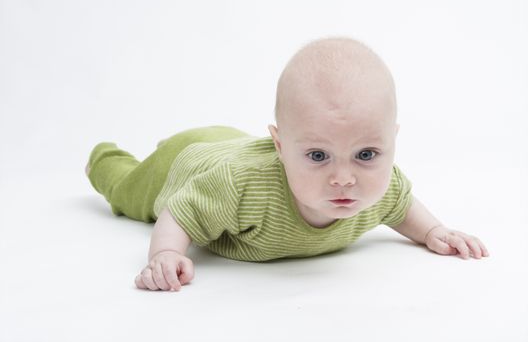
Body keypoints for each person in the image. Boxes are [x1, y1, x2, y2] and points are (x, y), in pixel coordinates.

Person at [85, 37, 489, 292]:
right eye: (318, 156)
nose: (345, 179)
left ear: (391, 141)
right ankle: (104, 159)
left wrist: (435, 231)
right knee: (130, 195)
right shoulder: (237, 187)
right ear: (280, 145)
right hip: (191, 160)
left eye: (366, 154)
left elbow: (403, 208)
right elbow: (180, 213)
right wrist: (165, 254)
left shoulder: (382, 185)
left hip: (233, 143)